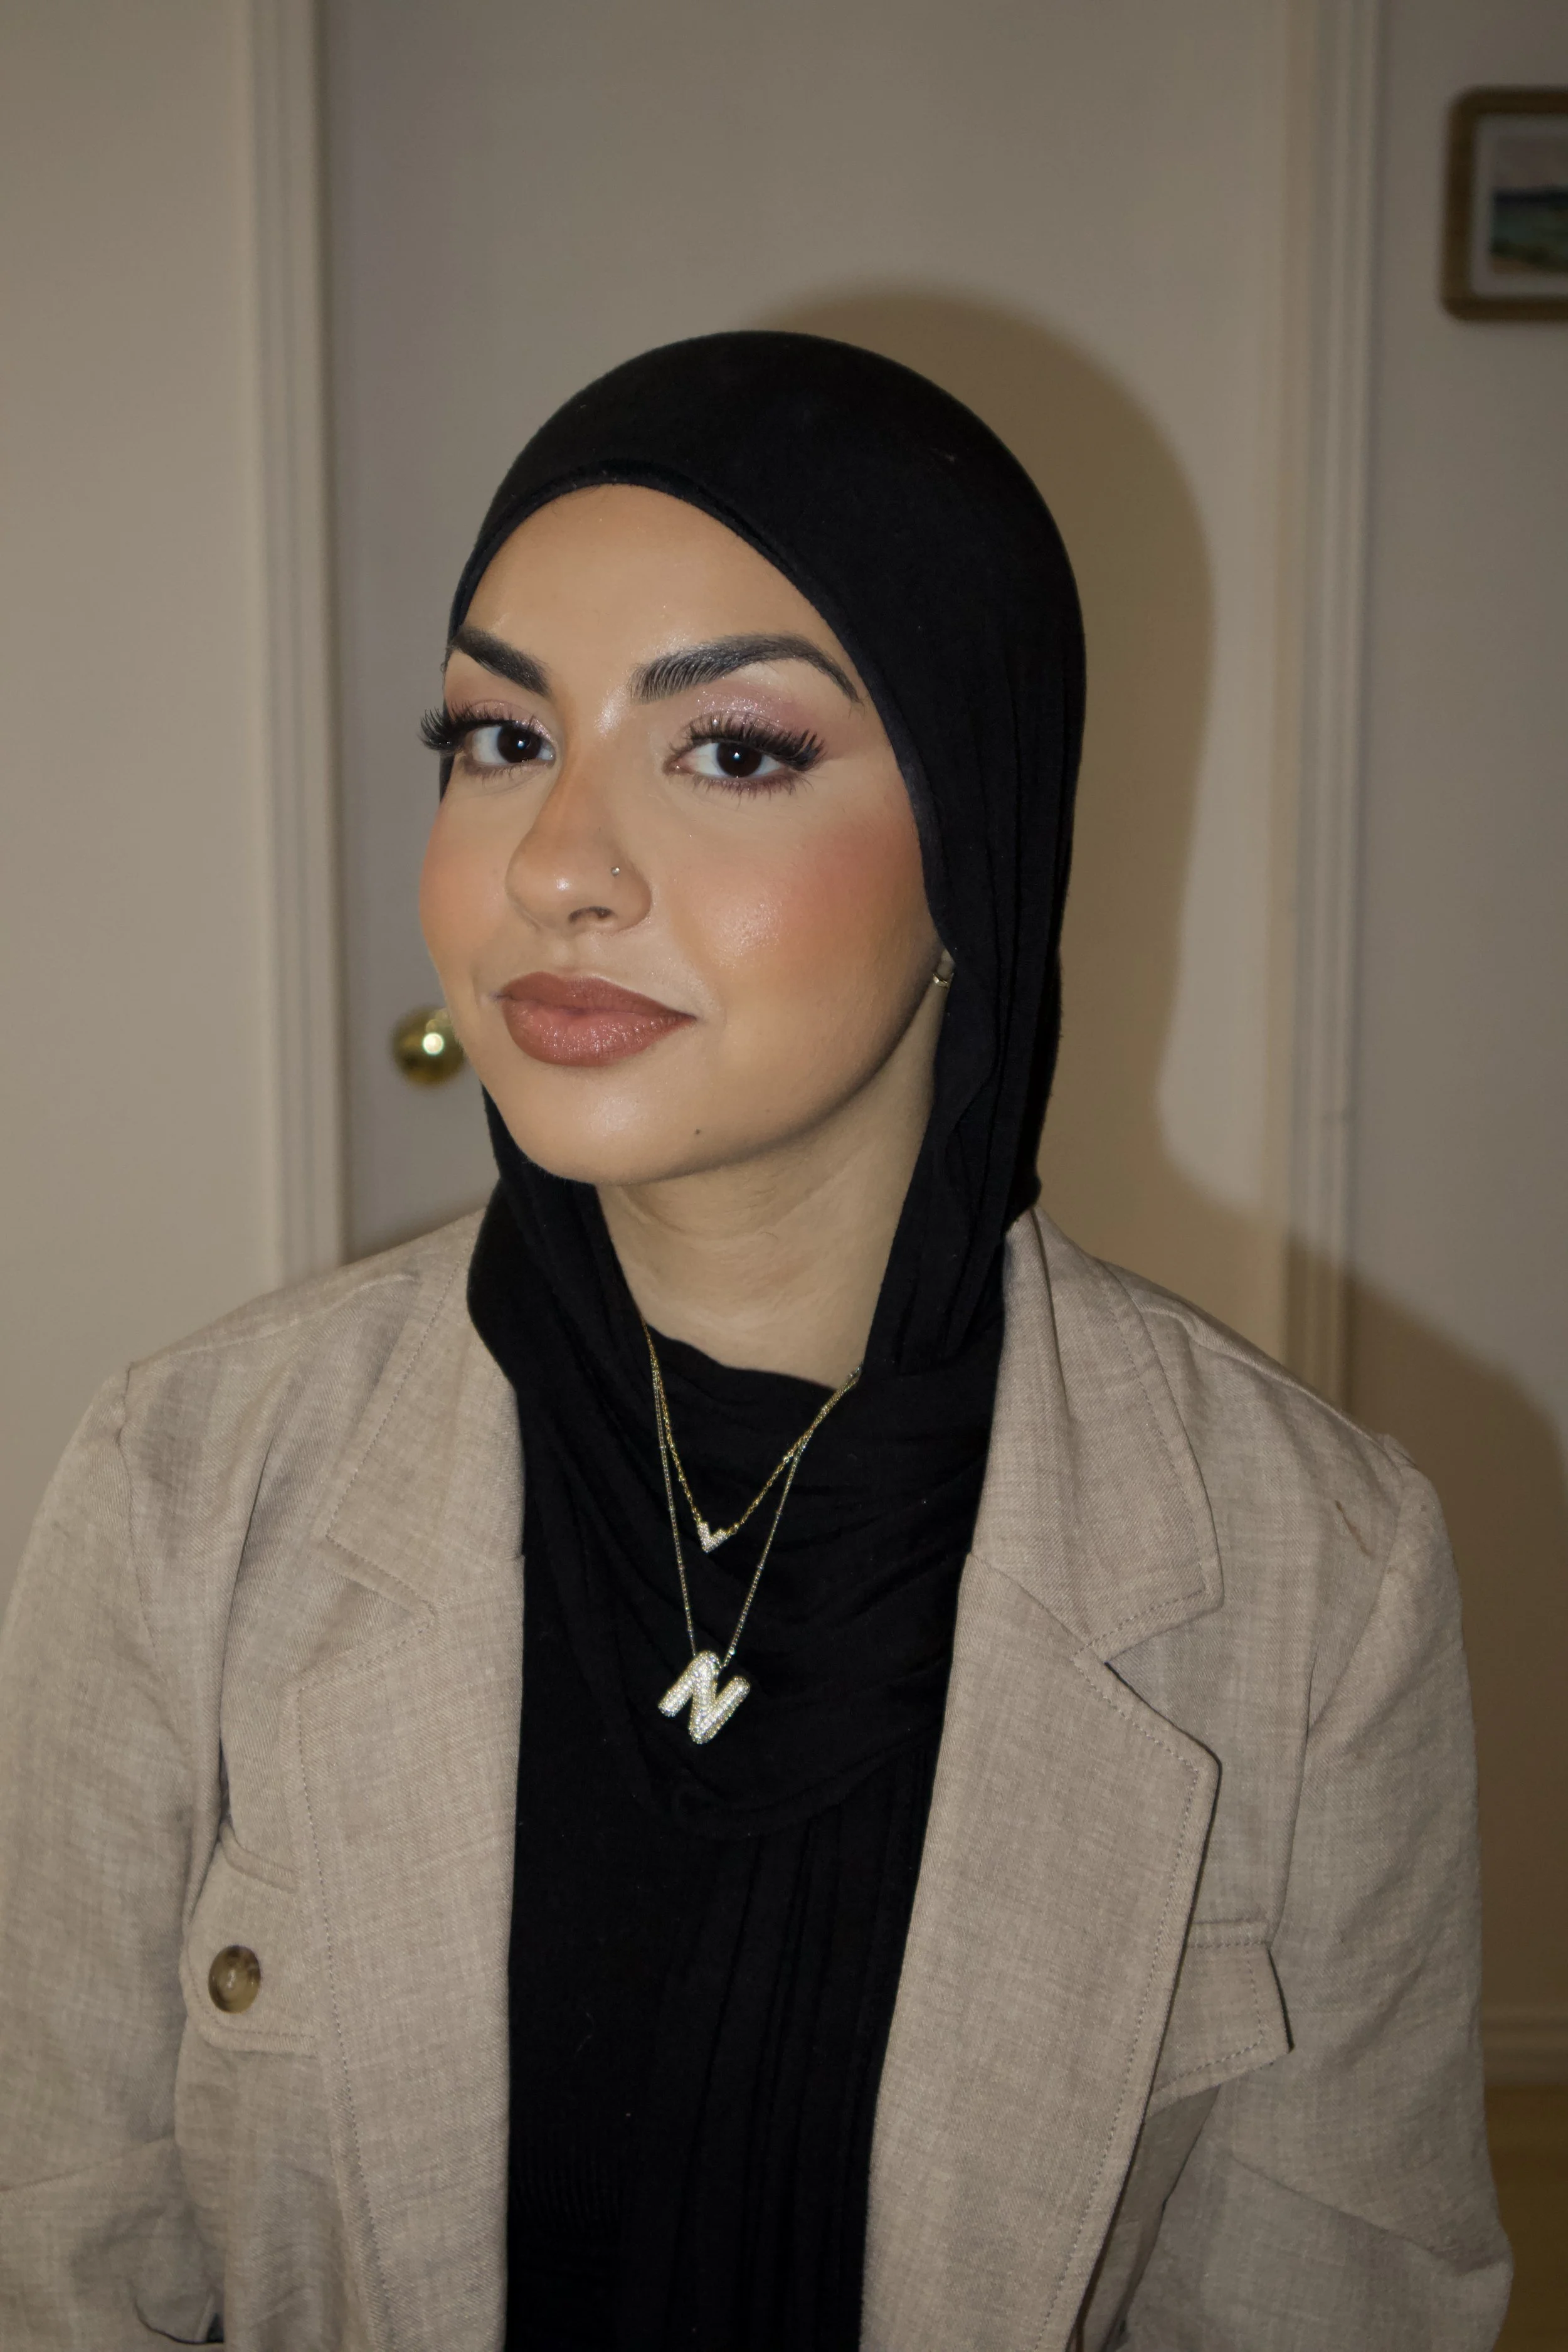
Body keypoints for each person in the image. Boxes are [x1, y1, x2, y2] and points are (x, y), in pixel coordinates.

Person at [0, 334, 1508, 2351]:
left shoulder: (1319, 1577)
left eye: (728, 750)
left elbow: (1332, 2304)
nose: (554, 863)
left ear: (976, 837)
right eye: (499, 736)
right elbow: (55, 2261)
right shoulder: (184, 1489)